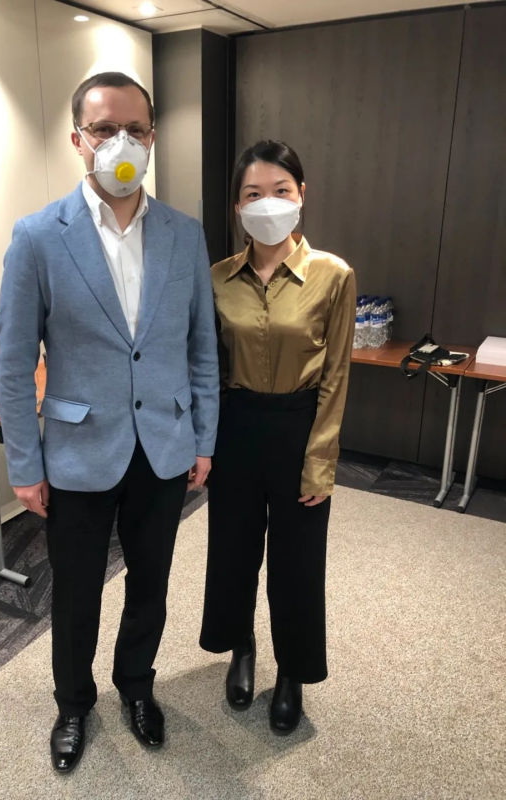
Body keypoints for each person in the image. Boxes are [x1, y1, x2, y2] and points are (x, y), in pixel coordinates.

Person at [0, 72, 219, 772]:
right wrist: (25, 465)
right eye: (104, 129)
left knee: (150, 583)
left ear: (152, 137)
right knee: (77, 592)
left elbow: (201, 348)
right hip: (76, 451)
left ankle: (136, 686)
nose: (121, 141)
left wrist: (204, 438)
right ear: (78, 140)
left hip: (164, 447)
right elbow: (13, 363)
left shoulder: (185, 234)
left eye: (135, 129)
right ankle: (73, 703)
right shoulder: (37, 237)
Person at [200, 140, 356, 735]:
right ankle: (241, 648)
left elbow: (336, 376)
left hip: (299, 429)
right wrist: (203, 445)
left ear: (301, 195)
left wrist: (321, 461)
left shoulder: (333, 275)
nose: (268, 203)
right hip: (236, 428)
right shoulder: (217, 279)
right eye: (253, 193)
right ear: (238, 206)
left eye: (280, 190)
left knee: (297, 563)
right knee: (234, 552)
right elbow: (206, 369)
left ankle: (292, 671)